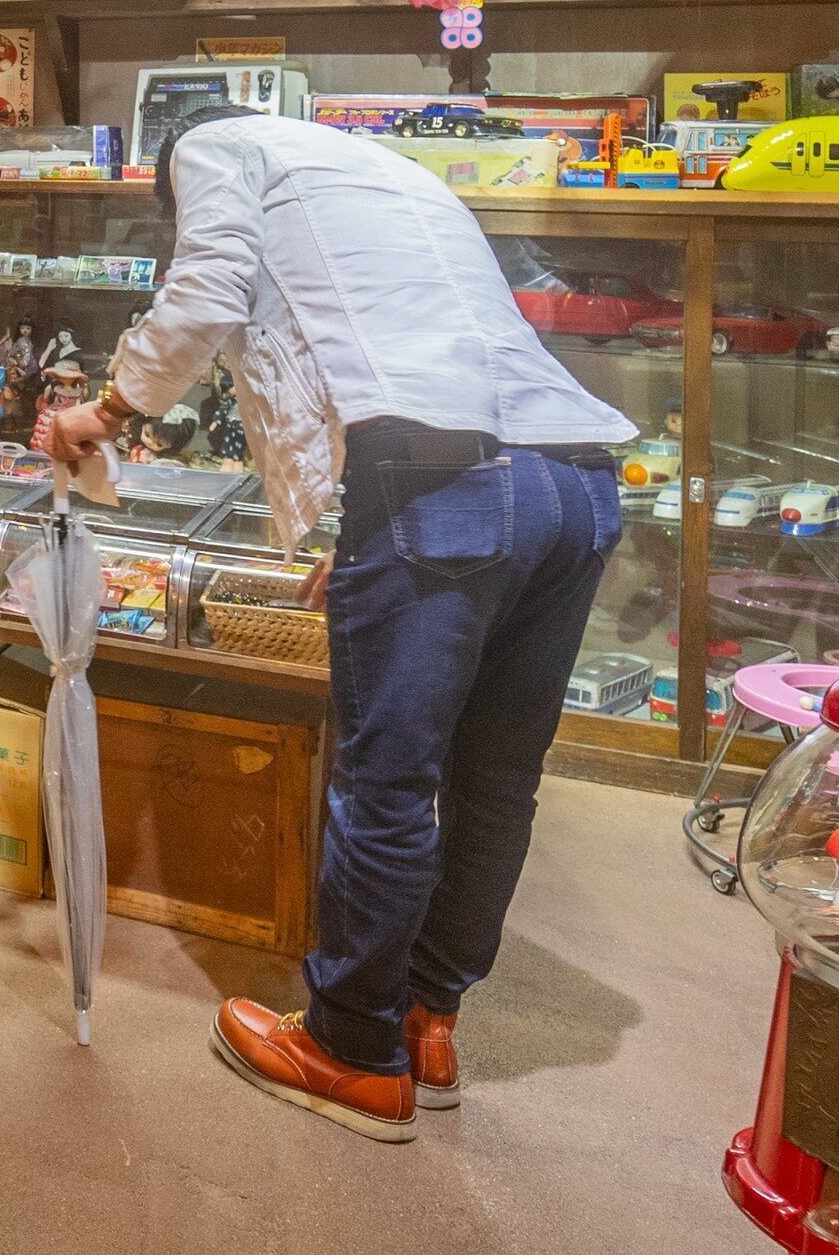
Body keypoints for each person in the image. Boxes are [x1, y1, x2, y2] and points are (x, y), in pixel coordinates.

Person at [40, 107, 630, 1142]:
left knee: (387, 779)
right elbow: (414, 349)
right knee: (496, 779)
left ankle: (352, 1049)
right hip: (574, 481)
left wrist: (107, 412)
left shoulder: (214, 146)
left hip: (445, 484)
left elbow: (208, 288)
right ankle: (427, 1020)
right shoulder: (381, 169)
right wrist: (374, 531)